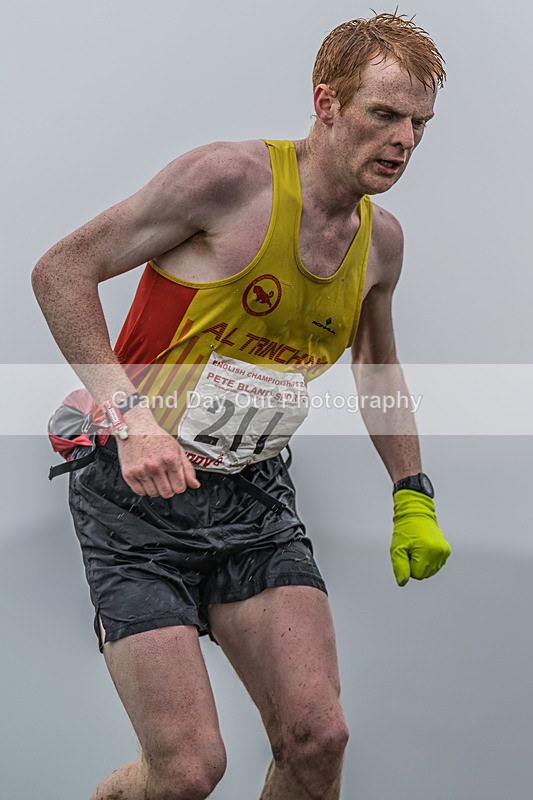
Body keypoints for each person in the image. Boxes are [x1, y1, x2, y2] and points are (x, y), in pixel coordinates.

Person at [32, 12, 452, 800]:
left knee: (317, 738)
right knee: (188, 772)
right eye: (383, 115)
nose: (403, 140)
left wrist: (411, 495)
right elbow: (61, 270)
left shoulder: (380, 242)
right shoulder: (226, 180)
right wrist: (131, 420)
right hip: (134, 497)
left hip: (252, 495)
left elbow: (374, 366)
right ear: (326, 103)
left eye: (419, 124)